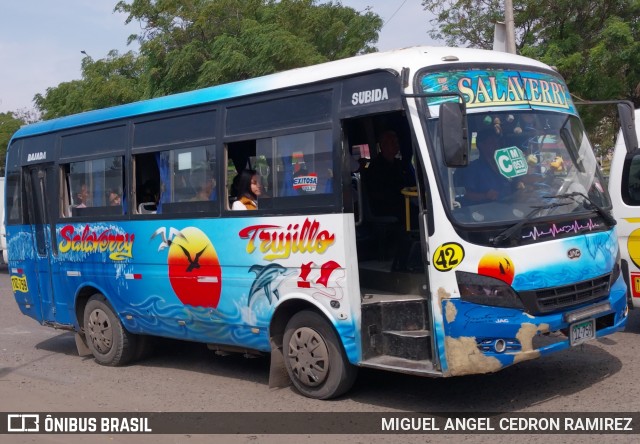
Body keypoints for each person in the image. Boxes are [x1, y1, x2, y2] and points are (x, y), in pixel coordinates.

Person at [364, 130, 414, 218]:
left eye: (397, 142)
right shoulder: (376, 167)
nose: (396, 144)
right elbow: (381, 194)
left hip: (404, 202)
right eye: (393, 142)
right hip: (388, 209)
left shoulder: (398, 164)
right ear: (383, 145)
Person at [460, 129, 516, 204]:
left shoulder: (506, 163)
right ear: (482, 145)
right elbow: (467, 195)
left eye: (497, 142)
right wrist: (485, 196)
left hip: (511, 207)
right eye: (492, 142)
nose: (496, 145)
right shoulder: (474, 168)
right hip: (486, 211)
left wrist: (520, 184)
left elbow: (514, 184)